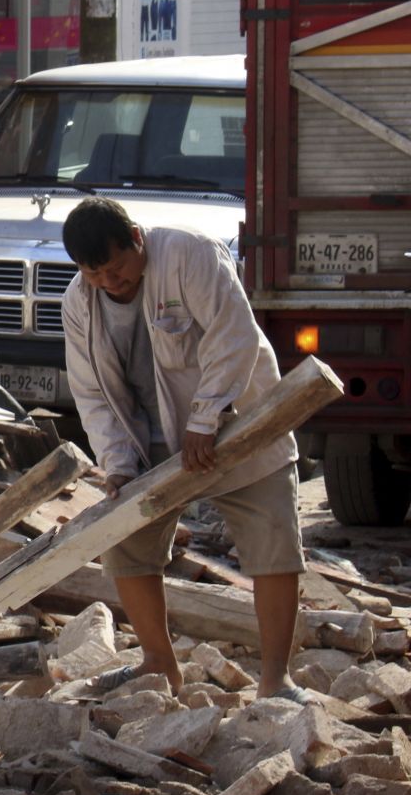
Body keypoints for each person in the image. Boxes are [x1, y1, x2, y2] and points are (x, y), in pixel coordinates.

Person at [61, 196, 306, 701]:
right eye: (96, 274)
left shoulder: (190, 254)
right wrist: (118, 467)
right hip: (149, 439)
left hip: (237, 425)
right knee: (126, 541)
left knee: (273, 538)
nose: (111, 281)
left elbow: (232, 336)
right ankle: (159, 666)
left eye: (118, 267)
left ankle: (276, 680)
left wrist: (206, 416)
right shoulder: (78, 303)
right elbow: (91, 393)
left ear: (136, 237)